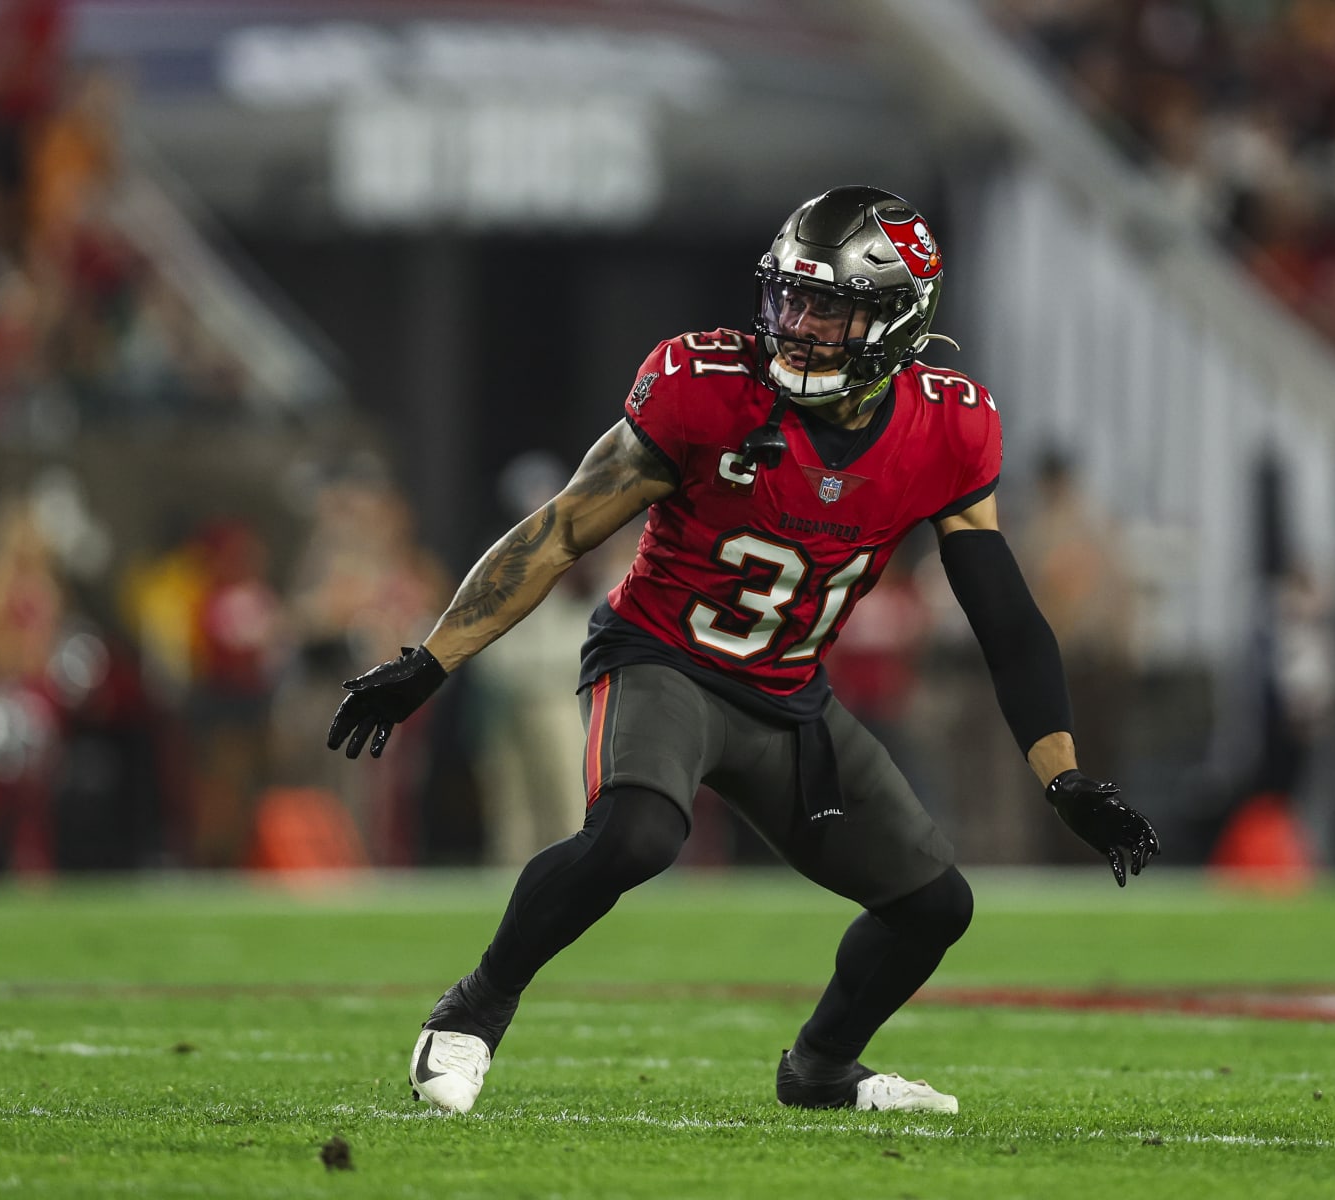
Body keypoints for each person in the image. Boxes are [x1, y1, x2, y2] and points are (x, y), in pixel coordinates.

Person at [326, 186, 1161, 1116]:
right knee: (637, 835)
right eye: (791, 297)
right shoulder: (705, 385)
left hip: (788, 696)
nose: (798, 325)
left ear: (895, 319)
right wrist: (431, 661)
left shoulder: (950, 425)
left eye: (829, 306)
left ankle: (821, 1069)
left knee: (935, 906)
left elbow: (1004, 614)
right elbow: (562, 531)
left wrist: (1064, 777)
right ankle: (472, 1012)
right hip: (660, 658)